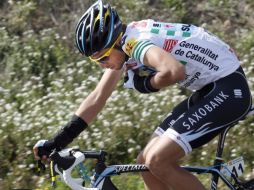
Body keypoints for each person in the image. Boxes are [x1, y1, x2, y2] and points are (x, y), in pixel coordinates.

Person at [33, 0, 253, 189]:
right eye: (95, 60)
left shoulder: (135, 42)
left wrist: (147, 84)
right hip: (210, 89)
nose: (101, 65)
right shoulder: (125, 44)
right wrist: (59, 140)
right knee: (145, 165)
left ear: (114, 43)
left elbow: (174, 71)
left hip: (229, 90)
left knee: (157, 160)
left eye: (102, 58)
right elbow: (98, 96)